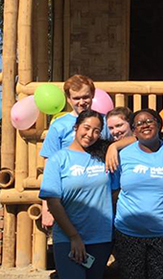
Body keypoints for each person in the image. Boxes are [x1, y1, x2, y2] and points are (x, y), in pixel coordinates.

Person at [39, 110, 117, 279]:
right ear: (76, 127)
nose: (90, 134)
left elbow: (134, 139)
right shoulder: (58, 160)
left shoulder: (104, 156)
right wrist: (74, 237)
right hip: (68, 238)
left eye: (96, 131)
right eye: (86, 128)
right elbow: (53, 202)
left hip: (100, 238)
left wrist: (115, 146)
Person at [113, 109, 163, 279]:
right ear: (134, 131)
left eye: (149, 121)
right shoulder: (123, 156)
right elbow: (114, 191)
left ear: (159, 124)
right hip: (128, 232)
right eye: (138, 123)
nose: (144, 125)